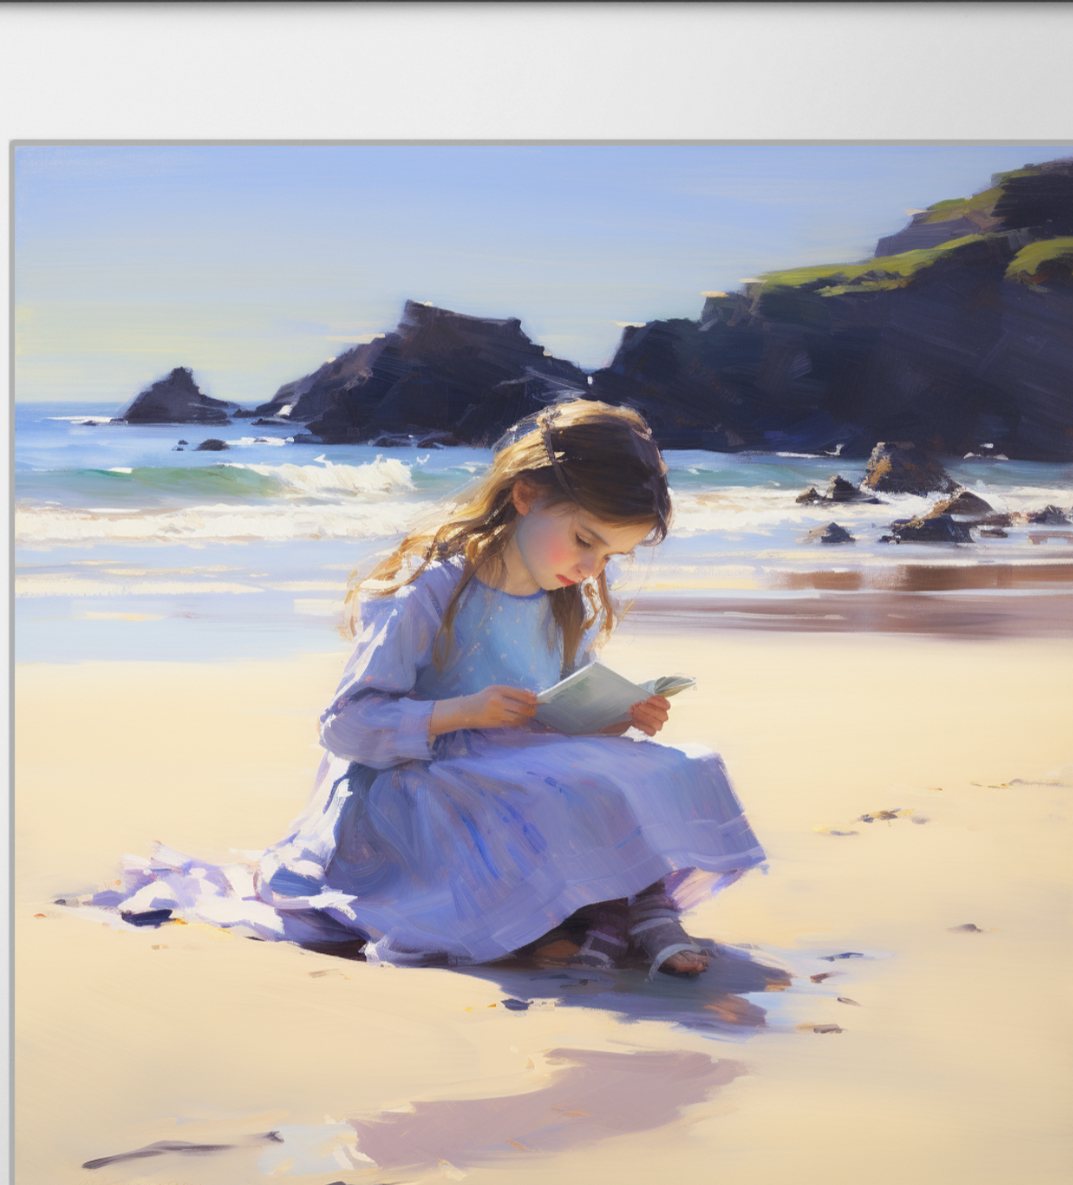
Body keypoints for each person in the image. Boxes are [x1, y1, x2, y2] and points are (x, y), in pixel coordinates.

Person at [191, 400, 767, 977]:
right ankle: (618, 913)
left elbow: (557, 714)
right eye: (584, 540)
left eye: (611, 555)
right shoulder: (428, 590)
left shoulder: (564, 601)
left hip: (517, 762)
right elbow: (345, 726)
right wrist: (464, 711)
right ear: (527, 497)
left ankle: (637, 909)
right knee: (562, 789)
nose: (593, 568)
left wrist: (620, 714)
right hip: (420, 780)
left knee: (681, 764)